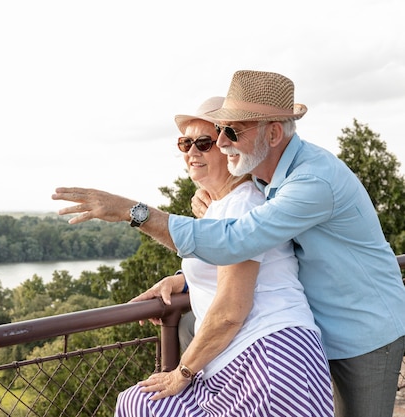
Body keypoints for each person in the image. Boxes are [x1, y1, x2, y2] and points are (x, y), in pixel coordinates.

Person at [52, 70, 405, 417]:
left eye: (230, 133)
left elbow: (237, 241)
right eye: (214, 134)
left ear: (274, 133)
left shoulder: (311, 183)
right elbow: (262, 253)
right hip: (310, 332)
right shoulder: (266, 181)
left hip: (365, 331)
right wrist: (186, 276)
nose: (221, 143)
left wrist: (134, 212)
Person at [114, 96, 334, 416]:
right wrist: (182, 281)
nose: (192, 151)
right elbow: (219, 264)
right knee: (139, 402)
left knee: (147, 404)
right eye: (185, 143)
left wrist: (183, 371)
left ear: (228, 145)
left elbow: (232, 308)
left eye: (204, 142)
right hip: (236, 362)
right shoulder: (218, 206)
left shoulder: (245, 204)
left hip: (270, 360)